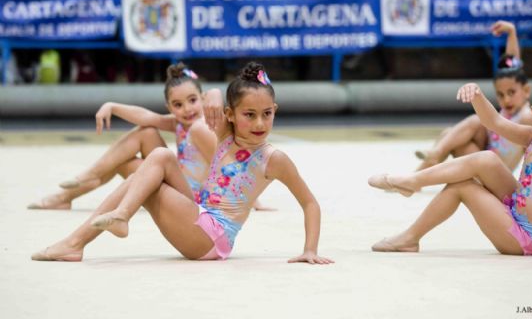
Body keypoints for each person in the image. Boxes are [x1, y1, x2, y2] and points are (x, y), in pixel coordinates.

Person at [32, 62, 333, 264]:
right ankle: (116, 218)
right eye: (249, 114)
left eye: (267, 114)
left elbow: (310, 203)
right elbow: (211, 99)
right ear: (230, 115)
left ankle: (78, 241)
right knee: (160, 155)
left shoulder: (273, 158)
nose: (259, 122)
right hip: (199, 211)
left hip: (213, 239)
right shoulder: (226, 135)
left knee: (146, 173)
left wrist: (310, 250)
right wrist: (214, 93)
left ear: (275, 110)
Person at [369, 66, 532, 260]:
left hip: (526, 238)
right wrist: (477, 94)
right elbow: (494, 122)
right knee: (487, 158)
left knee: (461, 186)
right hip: (517, 210)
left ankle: (410, 228)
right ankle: (413, 183)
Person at [27, 63, 221, 211]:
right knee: (146, 131)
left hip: (189, 196)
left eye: (192, 100)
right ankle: (78, 187)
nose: (187, 109)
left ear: (203, 98)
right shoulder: (179, 123)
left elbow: (224, 164)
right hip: (178, 183)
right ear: (169, 107)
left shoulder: (204, 127)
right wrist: (112, 106)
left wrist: (248, 199)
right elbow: (146, 116)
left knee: (120, 158)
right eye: (178, 105)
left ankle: (79, 184)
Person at [415, 21, 532, 172]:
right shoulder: (511, 108)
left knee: (475, 121)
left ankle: (421, 172)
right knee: (449, 134)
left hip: (496, 172)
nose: (506, 100)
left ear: (526, 90)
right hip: (487, 155)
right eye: (500, 95)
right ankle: (419, 174)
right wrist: (511, 32)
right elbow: (512, 65)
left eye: (511, 93)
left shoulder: (526, 116)